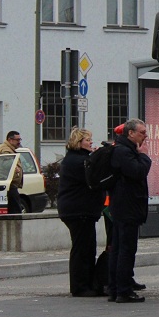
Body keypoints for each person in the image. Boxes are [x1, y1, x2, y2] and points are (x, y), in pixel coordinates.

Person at [57, 127, 105, 297]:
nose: (91, 142)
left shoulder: (77, 159)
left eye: (90, 140)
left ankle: (86, 283)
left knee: (87, 247)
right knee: (82, 249)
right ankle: (80, 286)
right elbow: (93, 179)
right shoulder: (78, 162)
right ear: (78, 143)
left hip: (80, 209)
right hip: (78, 210)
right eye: (87, 140)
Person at [108, 118, 151, 304]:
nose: (145, 135)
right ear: (130, 133)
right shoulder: (124, 151)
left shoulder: (123, 149)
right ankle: (123, 291)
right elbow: (138, 172)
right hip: (127, 208)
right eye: (142, 132)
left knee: (119, 248)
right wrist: (145, 156)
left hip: (123, 206)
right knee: (125, 249)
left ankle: (115, 288)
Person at [0, 130, 25, 214]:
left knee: (14, 208)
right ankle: (15, 226)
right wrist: (15, 168)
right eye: (17, 140)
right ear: (10, 140)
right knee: (15, 211)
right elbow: (7, 163)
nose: (19, 142)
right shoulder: (5, 150)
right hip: (8, 184)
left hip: (9, 184)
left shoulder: (9, 149)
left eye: (20, 139)